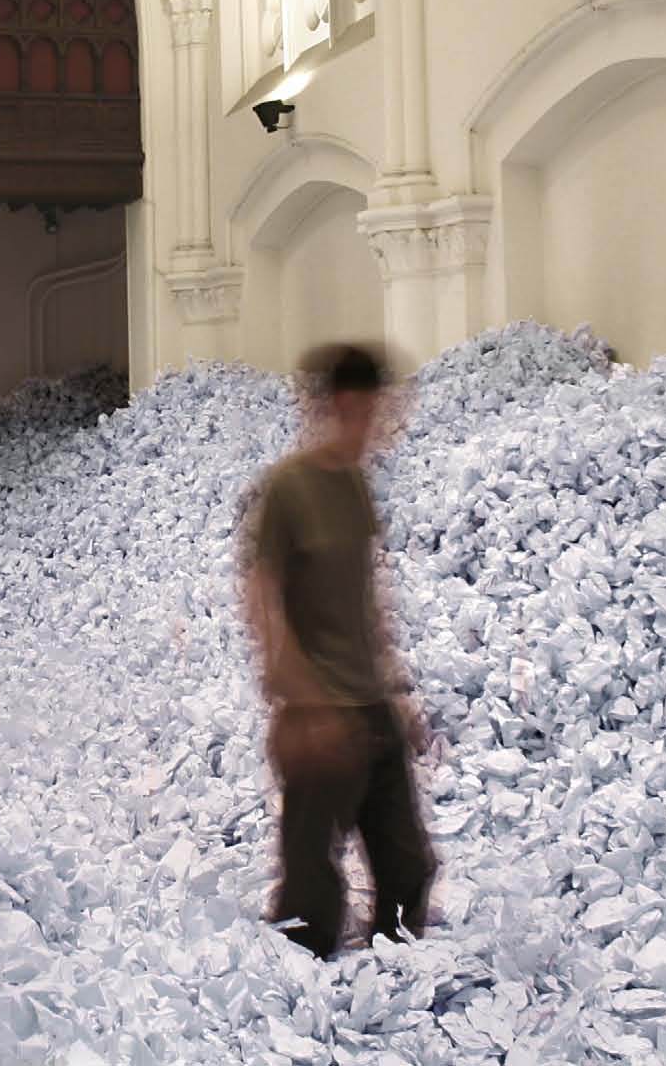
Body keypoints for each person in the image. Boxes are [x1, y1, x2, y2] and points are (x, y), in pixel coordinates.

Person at [240, 342, 435, 958]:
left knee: (407, 868)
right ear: (348, 405)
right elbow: (261, 597)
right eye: (375, 409)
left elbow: (367, 594)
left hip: (368, 705)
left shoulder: (354, 484)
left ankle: (388, 994)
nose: (382, 423)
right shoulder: (288, 490)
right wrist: (299, 697)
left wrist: (395, 689)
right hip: (317, 711)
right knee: (310, 899)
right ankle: (300, 1018)